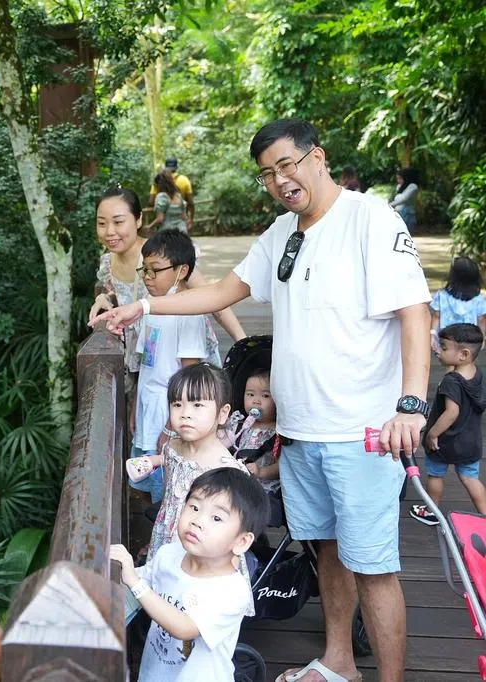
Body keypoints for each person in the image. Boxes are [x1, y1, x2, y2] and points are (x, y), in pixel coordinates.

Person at [91, 118, 431, 682]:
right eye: (267, 174)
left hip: (361, 432)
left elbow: (414, 311)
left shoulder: (370, 218)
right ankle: (339, 661)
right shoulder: (282, 234)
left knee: (373, 566)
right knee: (326, 552)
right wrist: (143, 307)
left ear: (317, 157)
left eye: (286, 165)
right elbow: (224, 291)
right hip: (297, 432)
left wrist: (412, 404)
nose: (279, 180)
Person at [111, 467, 268, 682]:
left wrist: (135, 582)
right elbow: (136, 582)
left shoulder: (232, 591)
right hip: (155, 672)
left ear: (241, 541)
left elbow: (185, 628)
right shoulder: (169, 554)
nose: (197, 520)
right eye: (194, 507)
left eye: (216, 518)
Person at [90, 186, 246, 370]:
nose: (109, 231)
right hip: (146, 361)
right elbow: (125, 293)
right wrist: (106, 297)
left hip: (184, 357)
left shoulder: (162, 255)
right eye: (102, 223)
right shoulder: (108, 262)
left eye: (118, 222)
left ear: (138, 219)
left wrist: (244, 346)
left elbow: (215, 300)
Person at [127, 363, 250, 566]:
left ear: (222, 413)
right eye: (177, 404)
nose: (185, 413)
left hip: (201, 551)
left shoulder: (226, 471)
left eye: (197, 405)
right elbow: (169, 481)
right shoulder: (173, 446)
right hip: (166, 535)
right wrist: (153, 461)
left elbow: (232, 528)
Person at [125, 231, 210, 502]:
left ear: (181, 271)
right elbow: (146, 365)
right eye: (144, 270)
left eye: (156, 270)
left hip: (168, 416)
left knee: (168, 494)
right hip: (147, 412)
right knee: (144, 485)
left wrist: (171, 428)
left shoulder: (189, 314)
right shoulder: (151, 309)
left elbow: (189, 376)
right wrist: (134, 406)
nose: (147, 277)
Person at [410, 324, 486, 526]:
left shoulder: (451, 381)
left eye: (443, 347)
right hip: (470, 442)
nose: (438, 351)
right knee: (470, 478)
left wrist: (432, 434)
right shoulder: (478, 375)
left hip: (444, 442)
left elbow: (452, 412)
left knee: (435, 475)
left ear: (463, 354)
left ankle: (432, 511)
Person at [221, 368, 280, 492]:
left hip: (262, 488)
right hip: (234, 484)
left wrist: (261, 472)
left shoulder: (278, 433)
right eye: (250, 394)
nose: (256, 401)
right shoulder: (237, 425)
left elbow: (281, 466)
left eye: (265, 396)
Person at [429, 256, 486, 353]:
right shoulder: (479, 299)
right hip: (470, 339)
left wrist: (432, 334)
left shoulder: (441, 296)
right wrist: (483, 337)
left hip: (446, 339)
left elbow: (436, 317)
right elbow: (481, 320)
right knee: (467, 359)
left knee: (448, 359)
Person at [150, 157, 195, 230]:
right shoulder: (184, 180)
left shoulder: (159, 179)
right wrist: (191, 219)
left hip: (166, 227)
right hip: (181, 225)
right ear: (176, 167)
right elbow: (191, 202)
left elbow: (151, 201)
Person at [390, 167, 419, 231]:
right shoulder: (399, 187)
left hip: (407, 214)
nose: (398, 181)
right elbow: (394, 199)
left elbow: (404, 199)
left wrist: (389, 205)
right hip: (397, 213)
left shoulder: (413, 187)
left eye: (400, 178)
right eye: (397, 178)